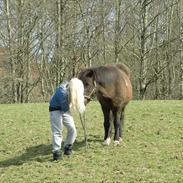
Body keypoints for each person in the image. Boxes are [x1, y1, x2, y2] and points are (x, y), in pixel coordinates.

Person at [49, 78, 85, 161]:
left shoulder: (70, 89)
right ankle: (56, 152)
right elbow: (67, 106)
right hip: (55, 109)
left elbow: (73, 100)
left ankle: (68, 147)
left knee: (72, 129)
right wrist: (77, 104)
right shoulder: (62, 92)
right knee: (57, 131)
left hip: (64, 108)